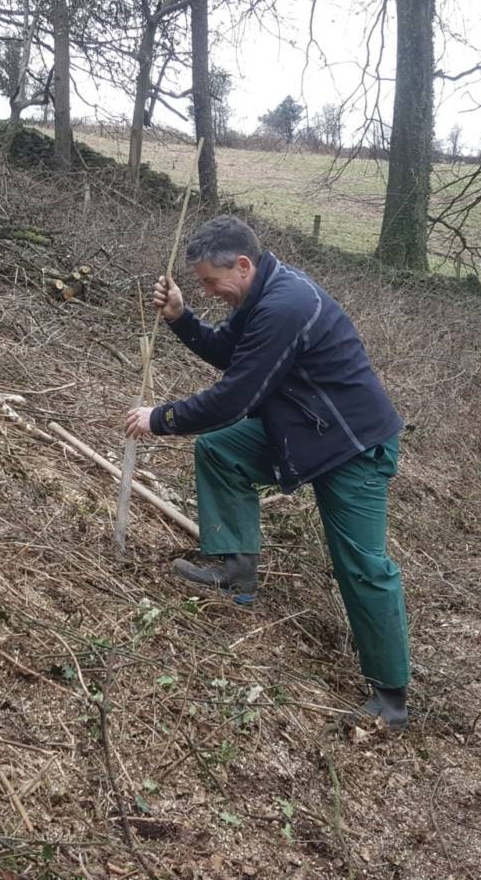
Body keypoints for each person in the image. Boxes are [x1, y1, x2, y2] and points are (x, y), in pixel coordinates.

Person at [123, 215, 411, 727]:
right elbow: (231, 353)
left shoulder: (285, 305)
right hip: (302, 428)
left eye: (211, 283)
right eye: (201, 287)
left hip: (351, 445)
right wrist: (180, 318)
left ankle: (390, 696)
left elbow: (236, 395)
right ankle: (236, 570)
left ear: (243, 264)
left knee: (362, 566)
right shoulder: (261, 294)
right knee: (220, 451)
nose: (210, 293)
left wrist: (161, 419)